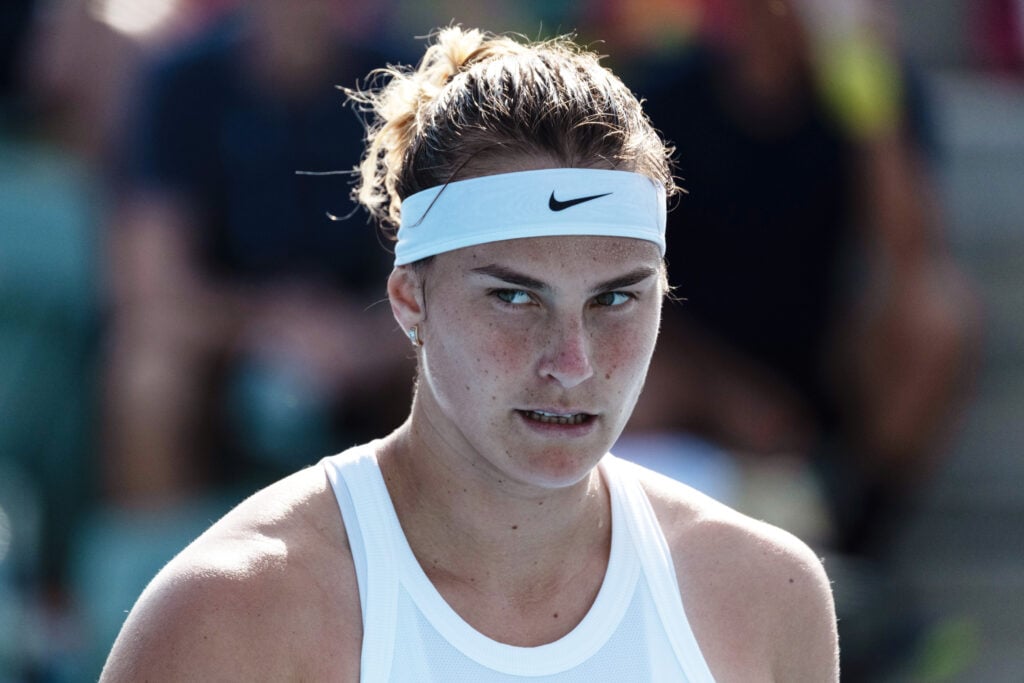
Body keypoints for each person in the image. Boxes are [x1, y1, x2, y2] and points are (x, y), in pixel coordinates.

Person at [100, 27, 839, 681]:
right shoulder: (229, 616)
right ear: (409, 300)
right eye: (515, 297)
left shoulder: (768, 597)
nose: (572, 361)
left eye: (615, 298)